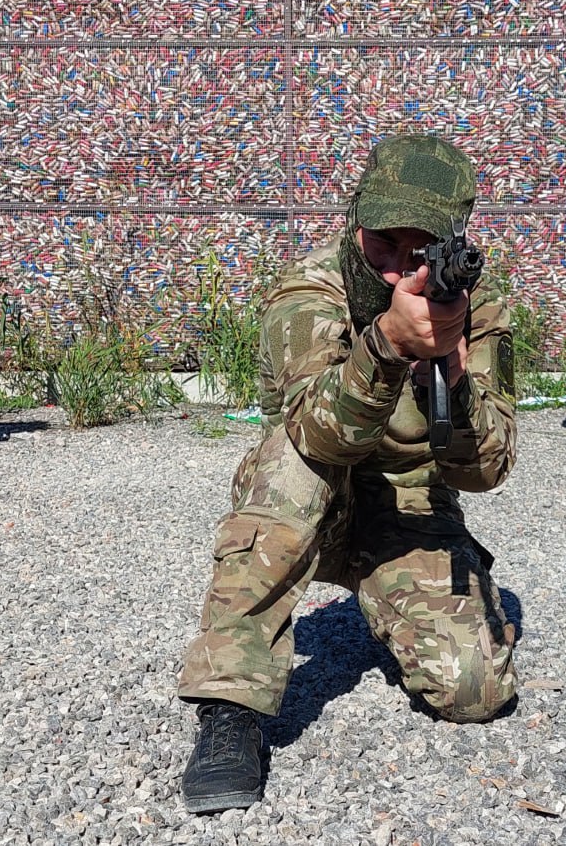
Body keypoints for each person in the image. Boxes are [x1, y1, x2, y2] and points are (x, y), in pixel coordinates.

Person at [177, 135, 518, 813]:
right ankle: (229, 704)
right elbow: (315, 432)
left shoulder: (477, 313)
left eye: (417, 251)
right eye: (382, 243)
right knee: (290, 462)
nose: (395, 270)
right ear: (355, 218)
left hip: (406, 508)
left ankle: (383, 593)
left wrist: (451, 373)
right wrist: (389, 345)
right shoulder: (309, 291)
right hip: (310, 496)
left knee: (474, 686)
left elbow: (489, 468)